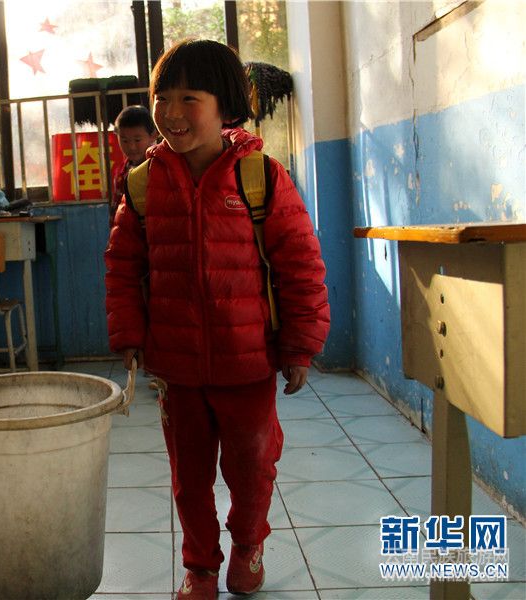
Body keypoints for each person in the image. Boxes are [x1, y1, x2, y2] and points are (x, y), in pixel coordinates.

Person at [105, 39, 329, 598]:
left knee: (253, 468)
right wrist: (129, 334)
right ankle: (200, 567)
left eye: (190, 98)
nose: (172, 112)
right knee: (189, 478)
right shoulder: (143, 184)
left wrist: (300, 346)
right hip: (177, 369)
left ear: (224, 103)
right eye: (163, 97)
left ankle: (248, 546)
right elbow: (123, 266)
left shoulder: (261, 177)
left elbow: (301, 265)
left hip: (248, 364)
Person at [110, 105, 158, 226]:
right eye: (124, 140)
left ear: (153, 135)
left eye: (137, 140)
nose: (131, 147)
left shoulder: (158, 169)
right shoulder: (122, 171)